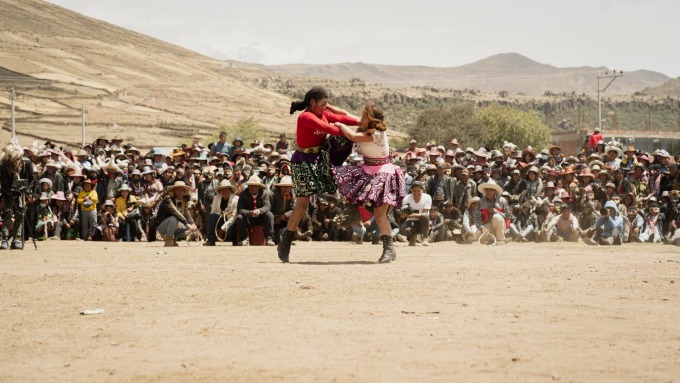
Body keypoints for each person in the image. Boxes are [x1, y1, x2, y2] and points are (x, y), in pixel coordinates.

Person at [277, 87, 359, 262]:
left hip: (320, 158)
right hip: (303, 161)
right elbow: (330, 129)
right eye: (322, 104)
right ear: (312, 102)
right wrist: (356, 133)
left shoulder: (324, 112)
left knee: (340, 183)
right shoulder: (305, 117)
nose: (325, 107)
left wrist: (364, 122)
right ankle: (285, 242)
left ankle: (353, 211)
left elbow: (342, 119)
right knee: (302, 205)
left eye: (326, 104)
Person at [333, 102, 406, 262]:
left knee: (380, 215)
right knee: (352, 193)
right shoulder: (365, 127)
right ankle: (356, 211)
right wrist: (329, 108)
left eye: (364, 116)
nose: (361, 118)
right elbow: (345, 112)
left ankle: (389, 249)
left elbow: (351, 136)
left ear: (372, 119)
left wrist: (339, 124)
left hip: (382, 173)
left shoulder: (377, 134)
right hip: (368, 170)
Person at [236, 175, 275, 246]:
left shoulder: (264, 193)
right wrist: (250, 213)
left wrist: (259, 211)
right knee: (239, 217)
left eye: (255, 186)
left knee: (269, 215)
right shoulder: (243, 194)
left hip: (261, 217)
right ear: (248, 186)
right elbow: (240, 209)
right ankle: (245, 238)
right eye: (251, 186)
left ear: (259, 187)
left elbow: (267, 206)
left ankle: (269, 238)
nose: (253, 188)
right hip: (249, 218)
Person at [156, 181, 196, 247]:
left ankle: (174, 239)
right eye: (178, 190)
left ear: (184, 192)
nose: (180, 192)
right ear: (174, 190)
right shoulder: (168, 198)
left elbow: (186, 213)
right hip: (162, 226)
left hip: (175, 224)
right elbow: (175, 212)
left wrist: (192, 223)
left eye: (182, 190)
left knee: (190, 229)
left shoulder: (183, 200)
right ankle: (168, 240)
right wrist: (187, 223)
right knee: (174, 218)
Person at [204, 179, 238, 246]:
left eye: (226, 189)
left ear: (230, 190)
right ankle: (211, 240)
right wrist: (221, 214)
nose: (224, 191)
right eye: (222, 189)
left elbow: (234, 217)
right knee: (213, 216)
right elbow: (213, 212)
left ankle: (235, 241)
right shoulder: (216, 198)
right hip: (220, 220)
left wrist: (222, 229)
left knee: (230, 232)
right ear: (220, 191)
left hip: (231, 223)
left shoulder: (236, 200)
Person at [399, 181, 432, 247]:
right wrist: (406, 215)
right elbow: (404, 214)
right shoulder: (406, 198)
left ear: (422, 190)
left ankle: (425, 237)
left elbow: (425, 214)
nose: (416, 193)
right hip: (410, 221)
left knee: (425, 216)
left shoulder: (427, 197)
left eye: (418, 190)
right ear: (411, 190)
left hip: (423, 222)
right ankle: (412, 237)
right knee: (402, 229)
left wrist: (410, 215)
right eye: (414, 191)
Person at [477, 179, 510, 245]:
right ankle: (493, 237)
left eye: (491, 189)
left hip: (501, 224)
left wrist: (495, 211)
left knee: (496, 217)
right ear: (485, 190)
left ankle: (500, 240)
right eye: (487, 189)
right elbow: (477, 217)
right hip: (488, 224)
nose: (488, 191)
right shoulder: (481, 201)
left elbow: (507, 216)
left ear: (495, 191)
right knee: (477, 234)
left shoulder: (502, 200)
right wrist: (481, 226)